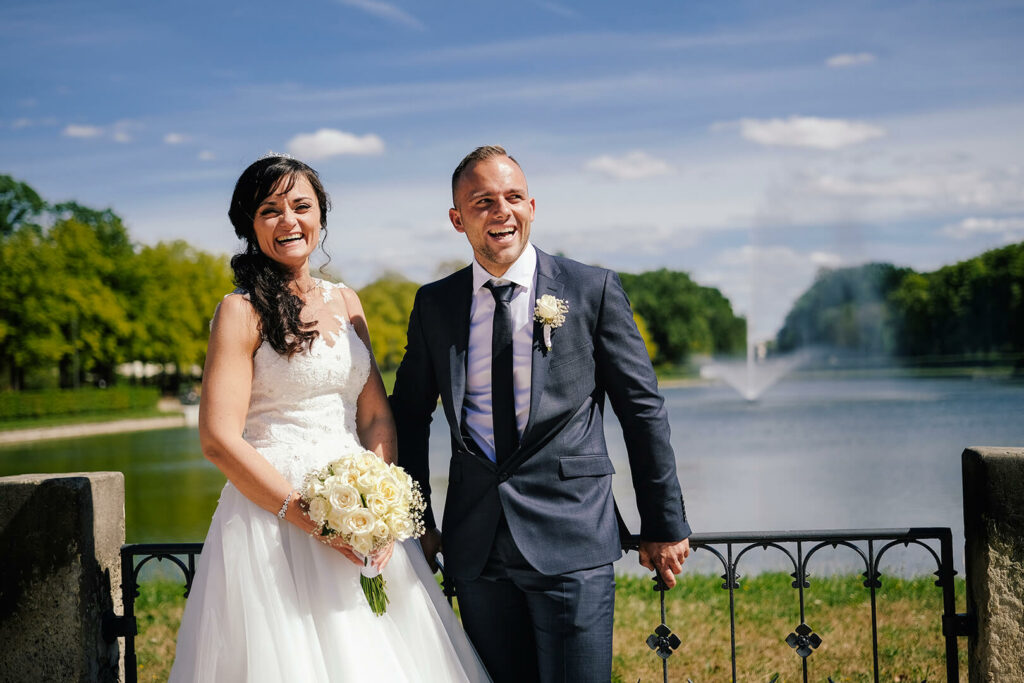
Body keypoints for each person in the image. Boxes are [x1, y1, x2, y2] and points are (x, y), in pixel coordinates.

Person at [169, 155, 490, 682]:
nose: (288, 221)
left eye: (301, 206)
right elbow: (219, 440)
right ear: (249, 225)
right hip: (274, 519)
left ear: (321, 216)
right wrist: (313, 520)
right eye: (270, 210)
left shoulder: (346, 300)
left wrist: (378, 507)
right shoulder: (240, 311)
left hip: (361, 516)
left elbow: (376, 417)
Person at [389, 145, 692, 683]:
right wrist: (419, 523)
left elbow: (641, 410)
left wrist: (663, 523)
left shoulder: (590, 289)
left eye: (512, 197)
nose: (501, 211)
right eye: (483, 201)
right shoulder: (435, 304)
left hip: (572, 537)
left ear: (532, 206)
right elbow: (410, 417)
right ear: (458, 219)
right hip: (477, 547)